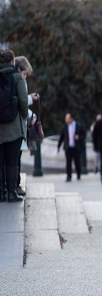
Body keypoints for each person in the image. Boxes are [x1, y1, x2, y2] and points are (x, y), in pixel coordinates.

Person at [0, 49, 28, 202]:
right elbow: (23, 101)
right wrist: (23, 115)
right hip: (13, 128)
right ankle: (11, 192)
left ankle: (0, 192)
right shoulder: (17, 77)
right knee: (12, 160)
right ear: (12, 61)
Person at [13, 56, 38, 196]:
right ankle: (15, 185)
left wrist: (31, 115)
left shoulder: (19, 81)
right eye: (24, 74)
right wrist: (30, 99)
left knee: (17, 157)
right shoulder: (16, 82)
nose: (25, 78)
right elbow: (20, 102)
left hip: (19, 126)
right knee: (15, 158)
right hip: (16, 127)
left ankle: (15, 184)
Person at [57, 113, 86, 182]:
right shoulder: (64, 127)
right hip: (68, 147)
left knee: (77, 162)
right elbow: (62, 137)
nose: (66, 120)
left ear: (71, 119)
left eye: (67, 118)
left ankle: (78, 174)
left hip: (76, 147)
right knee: (68, 163)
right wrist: (58, 146)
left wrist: (79, 137)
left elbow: (84, 135)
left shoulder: (79, 126)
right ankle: (69, 176)